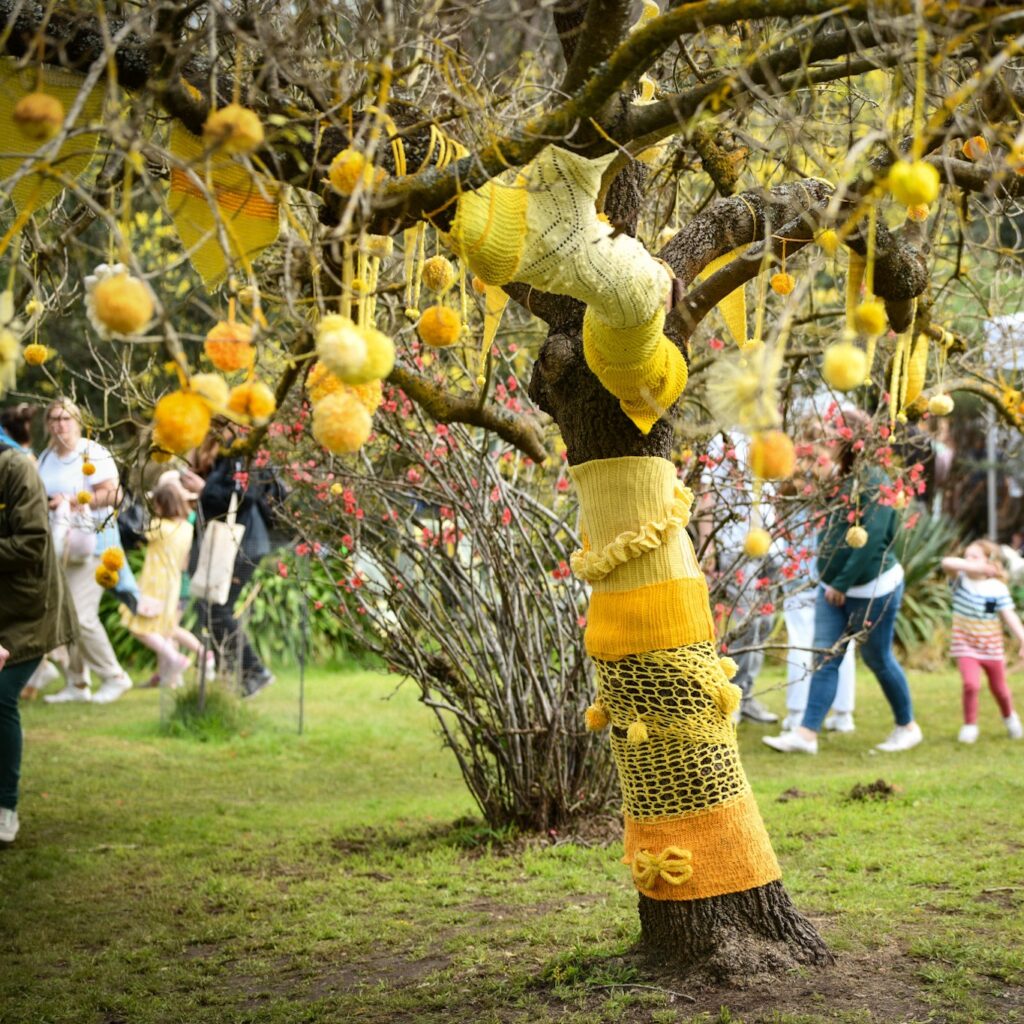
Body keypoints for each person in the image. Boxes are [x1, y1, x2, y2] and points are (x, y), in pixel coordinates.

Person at [764, 411, 922, 754]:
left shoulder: (874, 482)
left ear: (852, 441)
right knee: (825, 656)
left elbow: (875, 542)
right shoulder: (841, 479)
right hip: (832, 586)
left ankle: (907, 726)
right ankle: (806, 735)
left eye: (833, 435)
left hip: (871, 589)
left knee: (879, 659)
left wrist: (842, 583)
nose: (826, 442)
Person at [1, 425, 79, 843]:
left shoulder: (16, 469)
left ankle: (5, 808)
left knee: (0, 696)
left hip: (31, 609)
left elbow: (31, 542)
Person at [36, 399, 133, 704]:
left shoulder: (92, 452)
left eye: (66, 418)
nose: (59, 424)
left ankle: (115, 676)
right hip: (59, 543)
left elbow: (115, 494)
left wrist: (79, 499)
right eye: (53, 418)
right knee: (65, 615)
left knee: (81, 615)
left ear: (77, 421)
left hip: (94, 544)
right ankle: (77, 683)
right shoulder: (46, 457)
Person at [190, 435, 284, 698]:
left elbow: (244, 495)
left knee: (216, 609)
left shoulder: (242, 454)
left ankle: (254, 671)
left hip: (244, 545)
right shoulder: (223, 456)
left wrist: (203, 488)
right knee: (209, 608)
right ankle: (232, 677)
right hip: (235, 542)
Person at [697, 431, 779, 724]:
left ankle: (747, 694)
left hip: (772, 544)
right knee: (747, 623)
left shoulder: (771, 435)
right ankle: (734, 697)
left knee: (765, 622)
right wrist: (709, 544)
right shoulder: (725, 439)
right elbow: (706, 495)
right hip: (738, 544)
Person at [119, 478, 212, 688]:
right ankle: (171, 676)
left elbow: (136, 530)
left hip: (154, 584)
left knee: (138, 627)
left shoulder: (160, 527)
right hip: (173, 584)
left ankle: (175, 659)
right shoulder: (186, 528)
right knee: (166, 628)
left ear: (162, 505)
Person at [941, 540, 1024, 743]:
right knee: (971, 685)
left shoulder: (996, 588)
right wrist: (975, 565)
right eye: (966, 556)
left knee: (1001, 690)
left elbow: (1008, 616)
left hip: (992, 649)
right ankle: (970, 725)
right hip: (966, 647)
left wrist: (1023, 639)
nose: (968, 560)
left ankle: (1010, 717)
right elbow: (946, 562)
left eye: (975, 556)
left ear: (990, 561)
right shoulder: (959, 581)